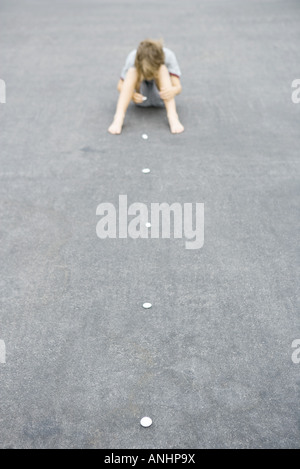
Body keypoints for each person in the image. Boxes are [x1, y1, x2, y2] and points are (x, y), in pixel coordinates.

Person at [108, 39, 184, 135]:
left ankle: (173, 116)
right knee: (132, 71)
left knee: (162, 69)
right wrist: (132, 95)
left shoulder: (168, 56)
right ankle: (118, 117)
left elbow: (178, 87)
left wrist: (172, 91)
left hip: (161, 96)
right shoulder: (133, 57)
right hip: (141, 97)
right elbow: (120, 86)